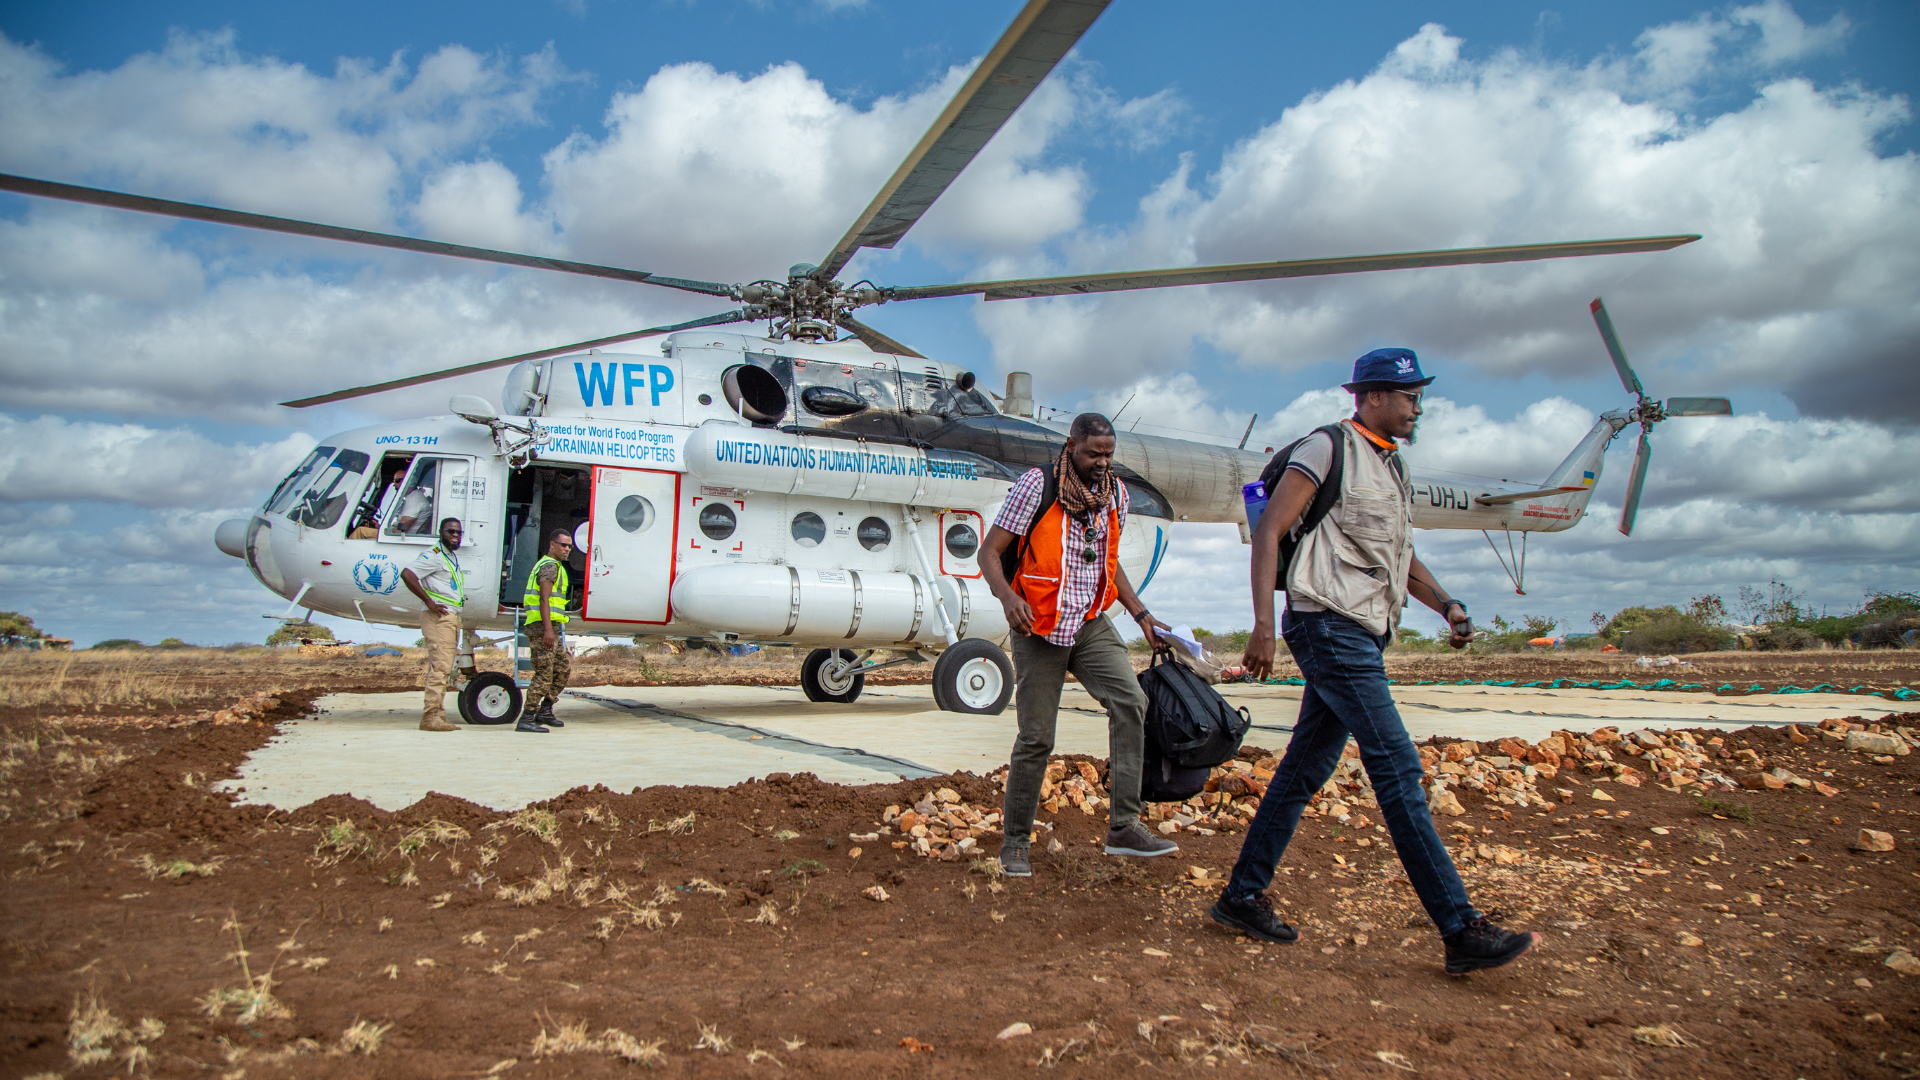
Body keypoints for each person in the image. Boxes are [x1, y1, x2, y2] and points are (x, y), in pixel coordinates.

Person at [1210, 348, 1539, 977]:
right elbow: (1269, 530)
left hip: (1364, 630)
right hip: (1328, 625)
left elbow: (1398, 557)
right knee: (1397, 769)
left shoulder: (1394, 469)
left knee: (1305, 768)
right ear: (1374, 396)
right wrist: (1260, 626)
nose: (1419, 407)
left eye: (1419, 396)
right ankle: (1459, 926)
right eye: (1410, 395)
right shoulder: (1326, 448)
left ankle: (1241, 897)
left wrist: (1448, 605)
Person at [978, 413, 1178, 877]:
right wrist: (1007, 598)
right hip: (1038, 627)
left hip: (1089, 622)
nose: (1102, 462)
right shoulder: (1036, 486)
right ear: (1071, 446)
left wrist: (1142, 615)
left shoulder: (1117, 495)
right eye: (1094, 453)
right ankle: (1014, 843)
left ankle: (1124, 826)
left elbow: (1110, 560)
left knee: (1131, 703)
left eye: (1109, 454)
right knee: (1037, 738)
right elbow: (989, 552)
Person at [400, 517, 466, 733]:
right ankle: (430, 717)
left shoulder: (449, 556)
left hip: (451, 615)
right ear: (440, 532)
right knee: (441, 666)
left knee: (444, 666)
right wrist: (429, 601)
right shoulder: (434, 555)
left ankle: (438, 714)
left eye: (458, 532)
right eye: (450, 532)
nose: (455, 536)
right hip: (439, 616)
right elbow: (408, 574)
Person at [518, 528, 575, 733]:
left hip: (552, 628)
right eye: (563, 545)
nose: (567, 549)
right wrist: (548, 631)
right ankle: (527, 718)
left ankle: (545, 710)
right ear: (552, 545)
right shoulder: (550, 566)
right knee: (544, 673)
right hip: (542, 628)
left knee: (563, 669)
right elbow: (544, 599)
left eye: (569, 546)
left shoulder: (556, 566)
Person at [351, 460, 408, 539]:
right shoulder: (409, 499)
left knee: (360, 531)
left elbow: (400, 529)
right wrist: (379, 528)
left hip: (399, 537)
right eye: (394, 481)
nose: (394, 484)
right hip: (396, 535)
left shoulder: (414, 500)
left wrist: (383, 532)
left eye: (397, 481)